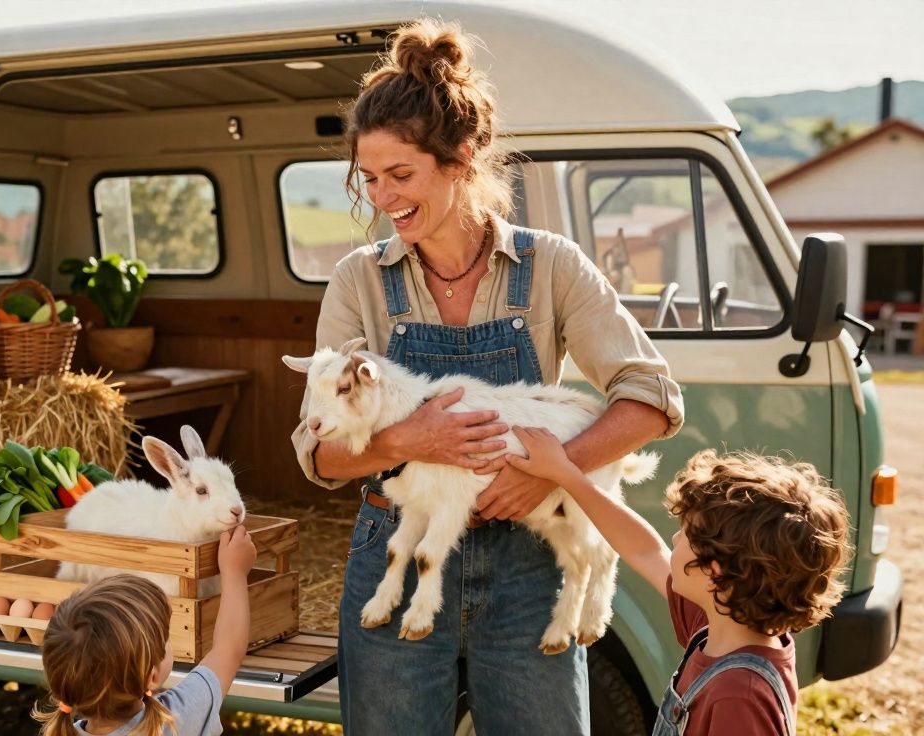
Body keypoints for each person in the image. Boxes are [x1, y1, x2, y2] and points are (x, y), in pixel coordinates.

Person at [289, 17, 685, 734]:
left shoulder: (551, 267)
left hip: (529, 569)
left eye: (401, 175)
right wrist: (416, 437)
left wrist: (553, 470)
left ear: (462, 158)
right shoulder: (359, 282)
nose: (382, 196)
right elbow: (319, 453)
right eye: (370, 178)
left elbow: (652, 400)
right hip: (397, 558)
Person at [500, 428, 851, 735]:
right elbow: (644, 550)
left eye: (686, 535)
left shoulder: (739, 694)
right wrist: (566, 474)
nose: (674, 541)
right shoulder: (720, 622)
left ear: (714, 572)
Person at [34, 526, 258, 736]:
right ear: (151, 676)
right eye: (165, 637)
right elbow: (228, 649)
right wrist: (234, 571)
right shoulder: (176, 719)